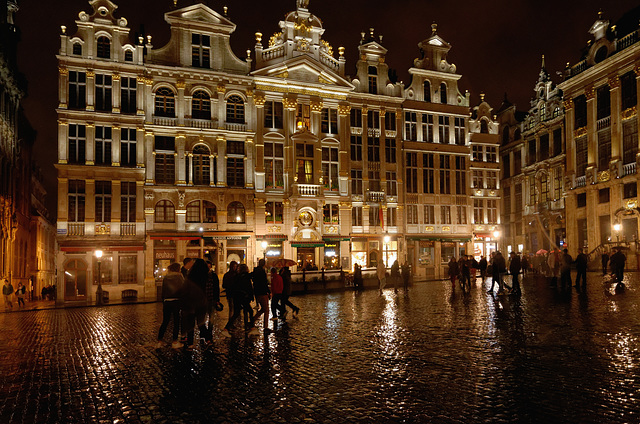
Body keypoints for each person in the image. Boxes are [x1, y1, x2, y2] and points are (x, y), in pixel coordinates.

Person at [179, 259, 212, 350]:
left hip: (191, 302)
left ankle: (190, 343)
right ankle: (208, 340)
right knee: (201, 323)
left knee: (190, 324)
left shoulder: (190, 276)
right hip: (202, 302)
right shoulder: (207, 276)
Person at [157, 263, 184, 349]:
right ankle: (174, 342)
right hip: (176, 301)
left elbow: (163, 290)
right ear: (177, 269)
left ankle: (159, 341)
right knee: (176, 322)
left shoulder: (166, 277)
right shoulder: (180, 277)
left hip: (167, 301)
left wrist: (163, 300)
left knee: (165, 322)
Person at [251, 259, 271, 334]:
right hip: (262, 292)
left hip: (257, 292)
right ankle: (265, 327)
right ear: (264, 264)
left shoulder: (255, 271)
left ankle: (253, 319)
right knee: (266, 310)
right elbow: (264, 283)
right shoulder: (262, 272)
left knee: (263, 309)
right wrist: (268, 291)